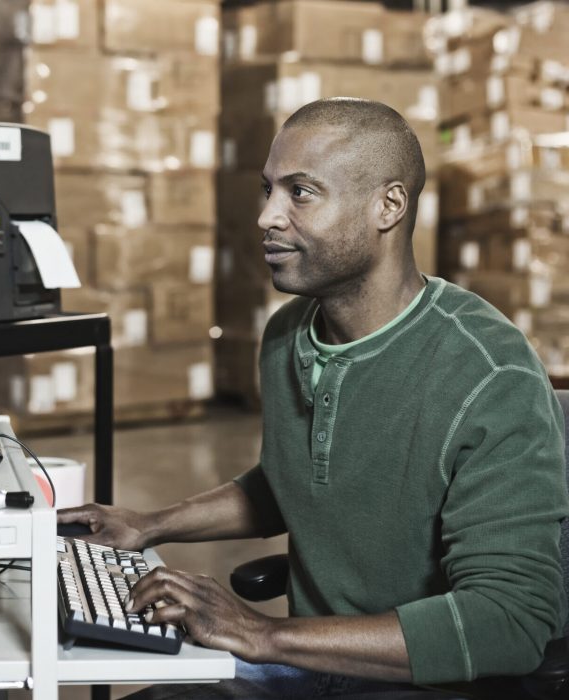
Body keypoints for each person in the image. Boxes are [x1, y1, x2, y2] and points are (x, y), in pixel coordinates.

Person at [58, 98, 569, 697]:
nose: (267, 217)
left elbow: (509, 622)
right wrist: (148, 525)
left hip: (418, 680)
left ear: (389, 205)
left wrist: (262, 634)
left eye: (301, 193)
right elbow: (295, 483)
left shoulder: (487, 373)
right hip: (304, 664)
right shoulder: (286, 336)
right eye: (268, 190)